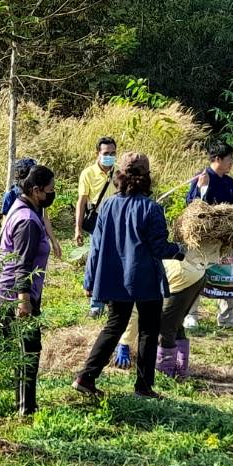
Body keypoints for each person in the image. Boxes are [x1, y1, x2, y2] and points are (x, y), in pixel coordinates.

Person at [73, 152, 185, 399]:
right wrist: (180, 250)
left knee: (114, 326)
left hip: (115, 277)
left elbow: (96, 246)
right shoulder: (151, 209)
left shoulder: (108, 206)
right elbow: (159, 248)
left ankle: (86, 377)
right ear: (146, 178)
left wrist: (89, 280)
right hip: (145, 279)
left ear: (120, 176)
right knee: (148, 330)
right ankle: (143, 387)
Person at [0, 164, 56, 417]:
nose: (52, 194)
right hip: (14, 293)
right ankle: (25, 409)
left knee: (10, 346)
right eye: (50, 190)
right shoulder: (27, 220)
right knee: (28, 351)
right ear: (36, 190)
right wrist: (24, 301)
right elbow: (23, 265)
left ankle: (10, 401)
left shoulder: (21, 206)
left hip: (5, 288)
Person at [186, 141, 233, 328]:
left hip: (225, 238)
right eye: (229, 159)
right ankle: (191, 314)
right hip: (204, 237)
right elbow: (192, 204)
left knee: (226, 275)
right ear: (217, 159)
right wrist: (201, 188)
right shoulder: (202, 177)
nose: (232, 162)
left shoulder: (229, 181)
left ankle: (227, 315)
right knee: (196, 274)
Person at [74, 136, 117, 316]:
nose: (110, 156)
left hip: (117, 220)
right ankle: (95, 302)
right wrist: (77, 228)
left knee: (115, 259)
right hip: (98, 220)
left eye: (113, 153)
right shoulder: (88, 173)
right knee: (97, 257)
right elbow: (82, 202)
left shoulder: (119, 172)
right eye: (106, 153)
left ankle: (112, 300)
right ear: (97, 154)